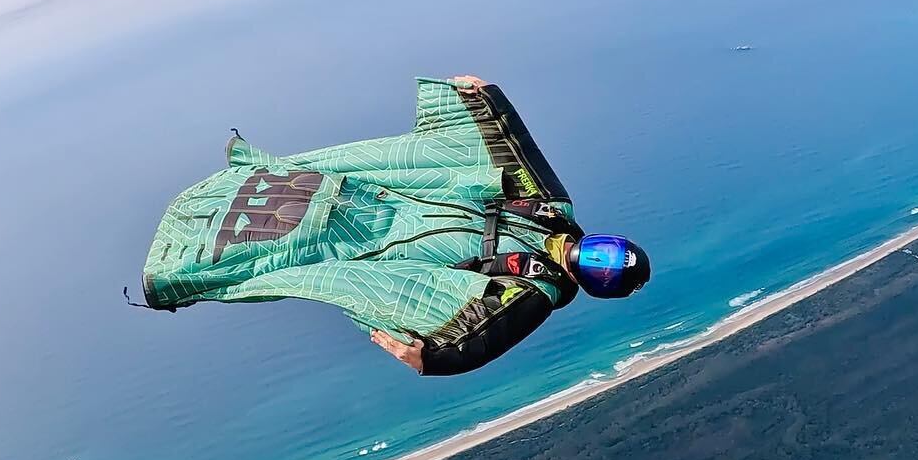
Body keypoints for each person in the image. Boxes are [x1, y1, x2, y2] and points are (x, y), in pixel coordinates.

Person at [139, 75, 650, 375]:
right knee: (292, 194)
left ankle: (183, 274)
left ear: (592, 285)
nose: (591, 256)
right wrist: (481, 96)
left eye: (600, 267)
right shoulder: (549, 209)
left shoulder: (529, 290)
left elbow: (486, 336)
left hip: (370, 248)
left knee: (271, 257)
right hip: (379, 198)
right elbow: (514, 151)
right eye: (604, 248)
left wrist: (430, 356)